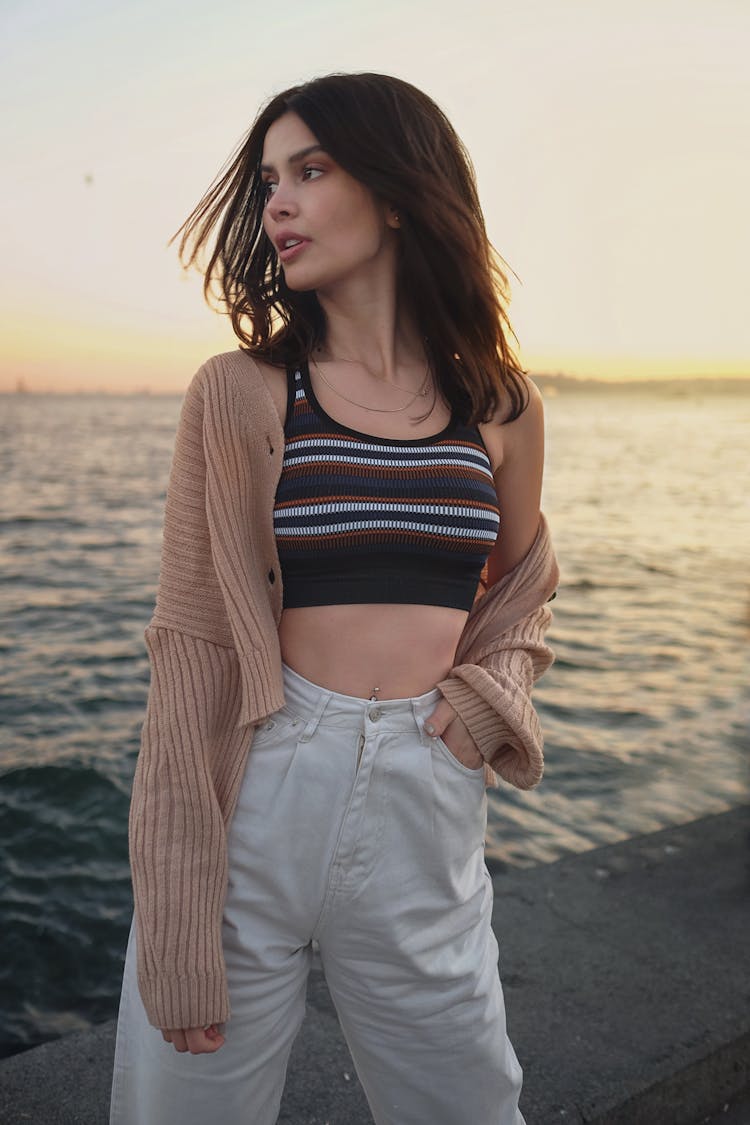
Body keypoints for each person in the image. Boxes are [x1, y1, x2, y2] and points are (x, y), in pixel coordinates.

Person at [109, 72, 558, 1125]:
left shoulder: (500, 404)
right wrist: (175, 915)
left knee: (470, 1106)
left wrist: (483, 698)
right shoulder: (243, 394)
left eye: (311, 171)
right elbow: (193, 650)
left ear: (401, 193)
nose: (278, 203)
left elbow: (524, 588)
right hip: (260, 786)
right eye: (269, 179)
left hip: (426, 796)